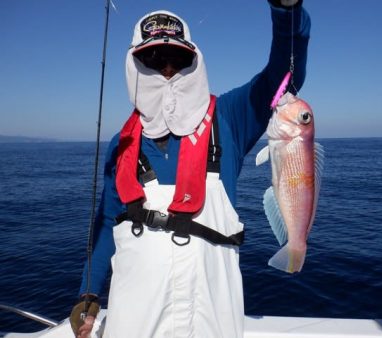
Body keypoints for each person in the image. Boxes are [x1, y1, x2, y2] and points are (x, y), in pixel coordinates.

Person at [70, 1, 310, 337]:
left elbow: (284, 76)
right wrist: (89, 293)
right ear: (134, 66)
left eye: (178, 59)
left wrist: (287, 11)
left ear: (194, 61)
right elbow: (108, 222)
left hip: (213, 318)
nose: (167, 69)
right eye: (152, 60)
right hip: (134, 318)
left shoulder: (228, 117)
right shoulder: (122, 144)